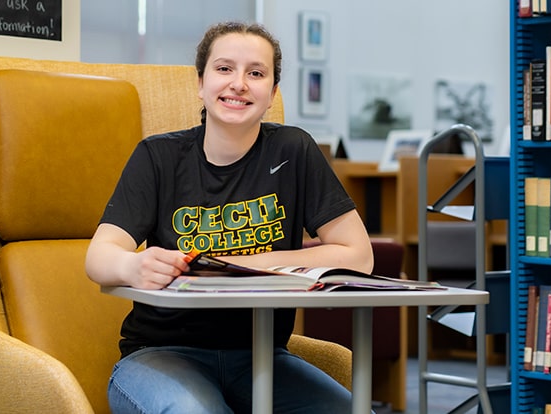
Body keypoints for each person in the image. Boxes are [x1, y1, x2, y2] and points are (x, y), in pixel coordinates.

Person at [85, 20, 374, 414]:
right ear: (200, 83)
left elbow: (359, 256)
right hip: (160, 354)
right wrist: (132, 265)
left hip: (261, 357)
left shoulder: (294, 151)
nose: (239, 83)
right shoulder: (158, 158)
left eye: (255, 73)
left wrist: (241, 265)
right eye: (224, 69)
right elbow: (98, 257)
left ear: (272, 93)